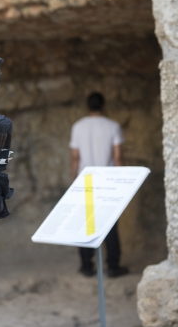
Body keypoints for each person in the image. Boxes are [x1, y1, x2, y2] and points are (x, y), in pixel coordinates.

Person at [69, 92, 129, 278]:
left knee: (85, 224)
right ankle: (113, 266)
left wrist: (74, 181)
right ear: (103, 106)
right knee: (110, 226)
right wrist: (122, 183)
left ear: (88, 106)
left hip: (85, 179)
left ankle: (87, 266)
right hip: (107, 180)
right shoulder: (113, 126)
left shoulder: (78, 126)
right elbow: (117, 157)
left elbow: (75, 158)